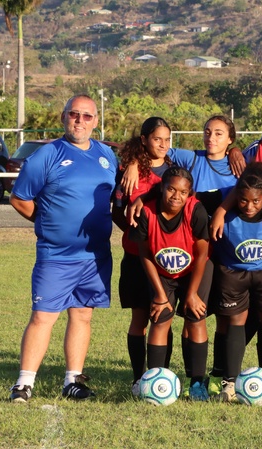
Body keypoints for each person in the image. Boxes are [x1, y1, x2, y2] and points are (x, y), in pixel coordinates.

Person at [9, 94, 118, 402]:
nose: (79, 121)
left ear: (96, 121)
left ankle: (73, 381)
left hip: (95, 256)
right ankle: (23, 384)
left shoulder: (107, 155)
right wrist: (48, 222)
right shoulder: (46, 155)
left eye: (87, 116)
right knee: (43, 316)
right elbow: (19, 198)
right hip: (56, 256)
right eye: (74, 114)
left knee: (82, 315)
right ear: (63, 117)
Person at [130, 166, 212, 401]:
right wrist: (159, 294)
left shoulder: (195, 210)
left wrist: (192, 293)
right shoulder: (147, 211)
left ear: (189, 194)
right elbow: (145, 254)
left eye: (183, 192)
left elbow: (202, 253)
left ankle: (197, 383)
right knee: (160, 318)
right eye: (171, 189)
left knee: (196, 317)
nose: (177, 196)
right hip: (161, 272)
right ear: (162, 189)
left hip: (194, 270)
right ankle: (155, 381)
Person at [210, 162, 262, 402]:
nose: (249, 206)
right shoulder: (223, 199)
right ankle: (229, 382)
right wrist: (221, 210)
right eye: (243, 200)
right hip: (232, 272)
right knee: (236, 320)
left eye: (256, 201)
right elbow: (191, 197)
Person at [112, 117, 174, 395]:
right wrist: (132, 232)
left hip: (164, 258)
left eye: (167, 139)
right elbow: (117, 209)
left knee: (163, 319)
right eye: (157, 139)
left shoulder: (173, 170)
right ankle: (138, 378)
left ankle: (162, 375)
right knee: (139, 320)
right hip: (135, 256)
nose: (163, 144)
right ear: (144, 140)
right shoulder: (128, 170)